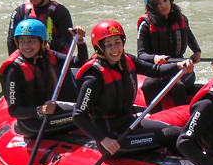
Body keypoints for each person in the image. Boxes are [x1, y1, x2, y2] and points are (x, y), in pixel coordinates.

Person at [72, 20, 193, 156]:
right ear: (99, 48)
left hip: (130, 123)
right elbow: (78, 115)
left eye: (117, 42)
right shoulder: (94, 77)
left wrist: (179, 66)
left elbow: (156, 71)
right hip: (113, 139)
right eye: (109, 45)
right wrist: (103, 140)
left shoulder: (127, 60)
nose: (115, 49)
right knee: (171, 135)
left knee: (177, 133)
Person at [0, 19, 87, 137]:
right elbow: (14, 111)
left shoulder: (47, 55)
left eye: (31, 41)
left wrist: (80, 41)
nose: (26, 46)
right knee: (85, 114)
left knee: (88, 107)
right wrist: (41, 109)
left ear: (42, 42)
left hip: (50, 111)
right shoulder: (15, 69)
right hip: (31, 123)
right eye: (22, 41)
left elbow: (79, 62)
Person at [137, 0, 202, 104]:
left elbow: (189, 36)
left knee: (176, 84)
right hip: (158, 69)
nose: (163, 5)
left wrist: (197, 51)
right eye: (157, 3)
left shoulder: (181, 19)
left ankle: (185, 117)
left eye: (165, 0)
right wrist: (155, 58)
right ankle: (155, 117)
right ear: (150, 6)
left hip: (181, 66)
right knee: (148, 86)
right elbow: (141, 54)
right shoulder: (145, 25)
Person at [6, 0, 76, 55]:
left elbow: (67, 41)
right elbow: (11, 42)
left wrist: (43, 46)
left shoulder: (60, 12)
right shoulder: (20, 12)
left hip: (54, 63)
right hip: (28, 62)